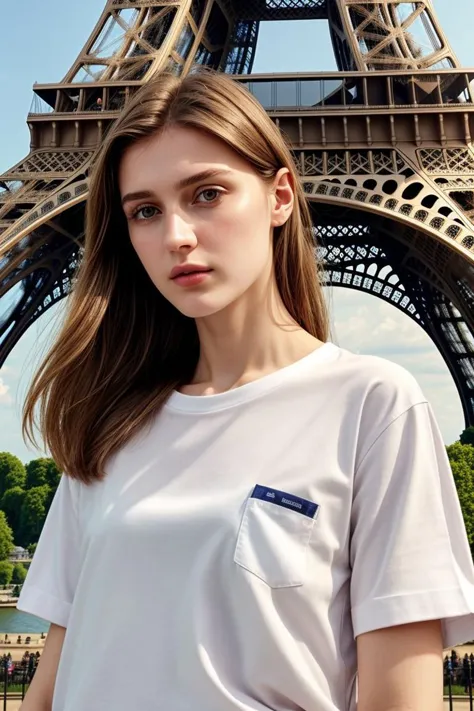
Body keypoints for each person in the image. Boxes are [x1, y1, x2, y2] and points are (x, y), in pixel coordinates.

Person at [16, 68, 474, 711]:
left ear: (280, 195)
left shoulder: (373, 405)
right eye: (145, 211)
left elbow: (403, 701)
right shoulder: (109, 425)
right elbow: (50, 690)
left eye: (206, 194)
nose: (176, 234)